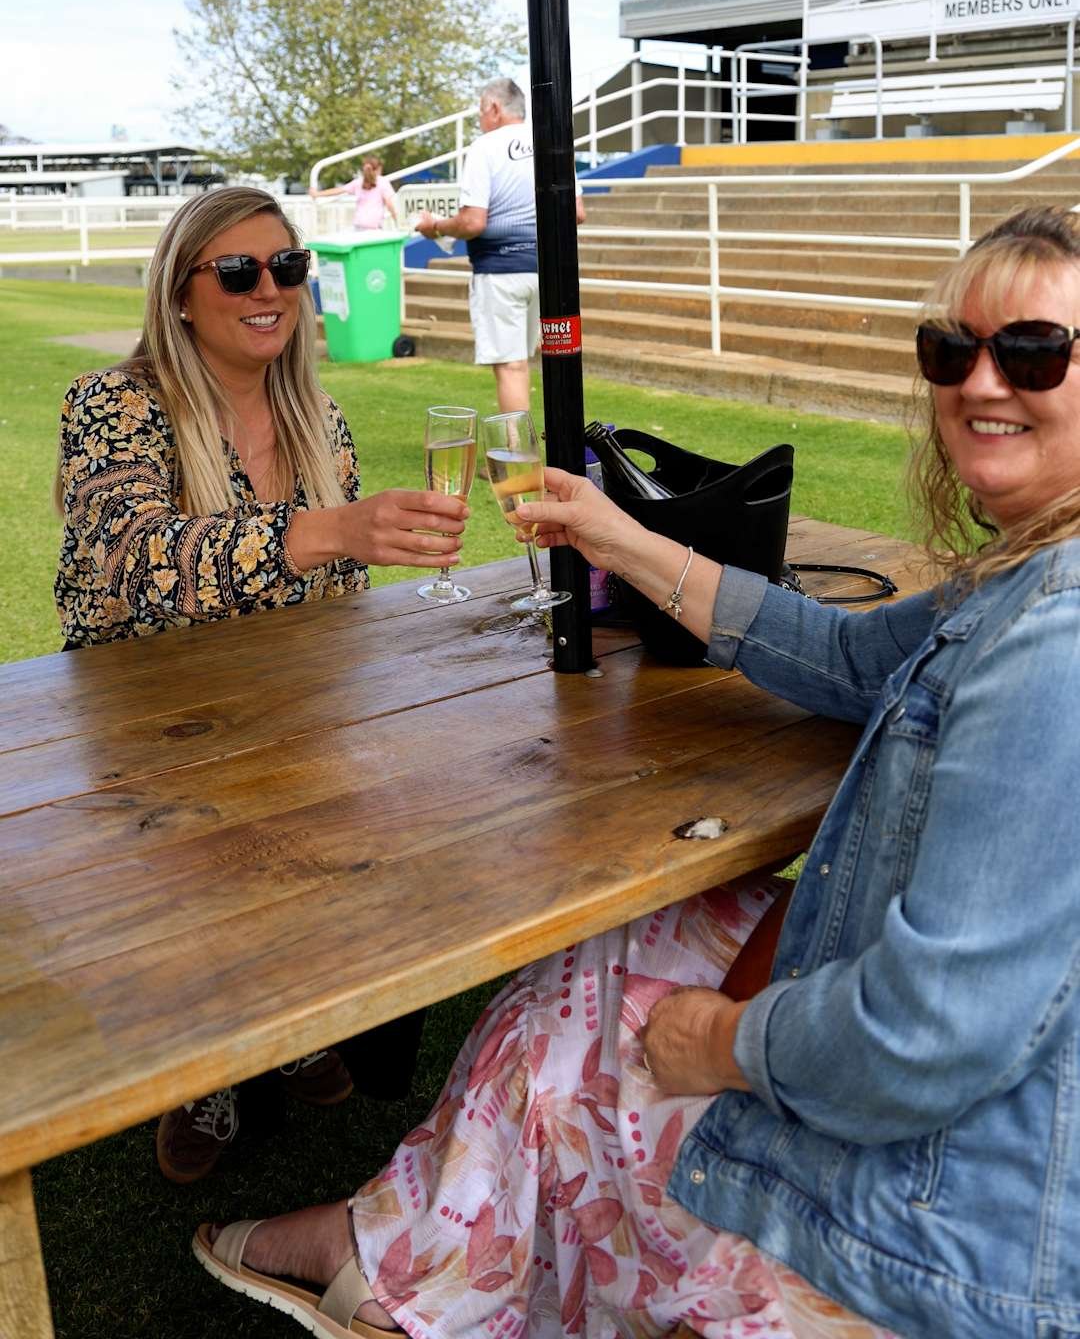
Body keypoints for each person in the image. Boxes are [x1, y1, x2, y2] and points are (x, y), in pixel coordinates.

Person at [195, 203, 1080, 1339]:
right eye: (951, 351)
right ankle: (399, 1250)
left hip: (952, 1237)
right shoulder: (1022, 580)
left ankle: (397, 1263)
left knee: (601, 1026)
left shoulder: (1053, 640)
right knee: (609, 946)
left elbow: (930, 1033)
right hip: (990, 1117)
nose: (980, 383)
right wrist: (617, 538)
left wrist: (722, 1042)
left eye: (1034, 351)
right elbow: (850, 653)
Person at [55, 185, 466, 1184]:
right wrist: (327, 529)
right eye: (237, 271)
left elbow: (347, 601)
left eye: (286, 267)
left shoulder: (319, 418)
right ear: (183, 294)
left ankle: (292, 1028)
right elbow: (128, 556)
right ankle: (207, 1073)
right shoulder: (111, 405)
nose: (268, 288)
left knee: (330, 851)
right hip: (152, 723)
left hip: (292, 712)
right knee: (199, 893)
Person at [414, 79, 585, 413]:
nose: (480, 118)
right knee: (538, 362)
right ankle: (544, 453)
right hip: (546, 273)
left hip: (500, 273)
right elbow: (576, 213)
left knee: (511, 366)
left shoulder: (485, 147)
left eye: (480, 110)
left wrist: (434, 226)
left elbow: (473, 222)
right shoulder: (552, 142)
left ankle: (517, 459)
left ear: (494, 109)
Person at [314, 155, 399, 232]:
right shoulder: (382, 182)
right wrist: (396, 219)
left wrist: (317, 193)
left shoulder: (358, 182)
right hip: (374, 227)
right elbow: (389, 203)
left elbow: (338, 190)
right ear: (379, 168)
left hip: (359, 224)